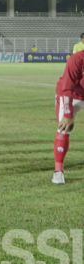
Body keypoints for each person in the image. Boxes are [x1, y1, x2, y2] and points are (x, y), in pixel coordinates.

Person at [50, 50, 84, 184]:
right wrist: (68, 115)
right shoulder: (77, 59)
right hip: (71, 95)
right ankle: (58, 172)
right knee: (64, 128)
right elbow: (67, 88)